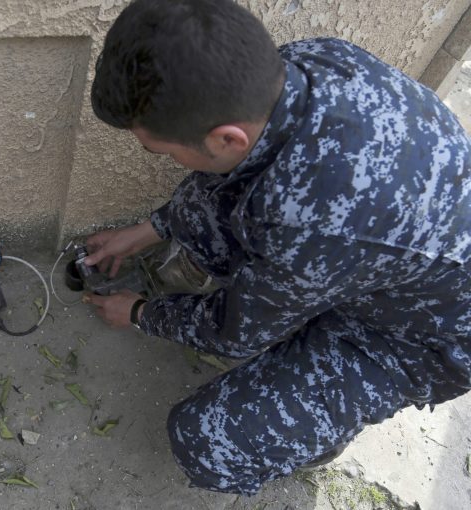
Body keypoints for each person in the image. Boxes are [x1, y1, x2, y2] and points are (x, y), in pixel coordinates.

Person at [83, 0, 471, 495]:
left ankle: (319, 431)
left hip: (418, 339)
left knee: (207, 443)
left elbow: (233, 333)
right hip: (377, 260)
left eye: (156, 149)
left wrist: (139, 313)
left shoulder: (317, 224)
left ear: (226, 137)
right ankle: (296, 314)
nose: (160, 157)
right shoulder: (309, 61)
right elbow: (232, 176)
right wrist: (151, 228)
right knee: (214, 208)